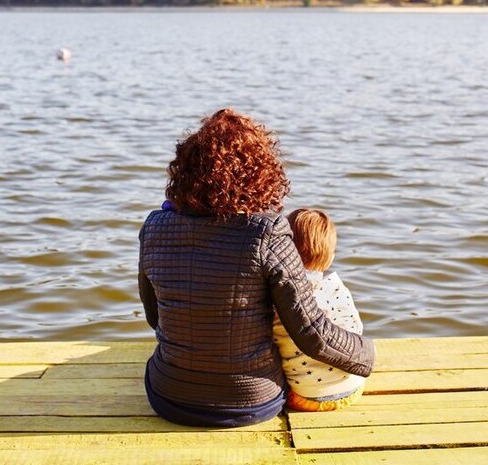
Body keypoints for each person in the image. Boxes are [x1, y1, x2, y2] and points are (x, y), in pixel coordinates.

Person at [137, 109, 375, 427]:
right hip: (250, 402)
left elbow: (156, 318)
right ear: (259, 172)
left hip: (167, 397)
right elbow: (311, 333)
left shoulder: (154, 227)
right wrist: (366, 355)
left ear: (185, 171)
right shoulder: (268, 231)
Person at [273, 208, 366, 412]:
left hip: (304, 397)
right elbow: (356, 330)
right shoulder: (338, 290)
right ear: (331, 258)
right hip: (352, 389)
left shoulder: (279, 298)